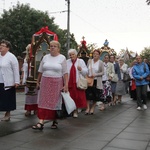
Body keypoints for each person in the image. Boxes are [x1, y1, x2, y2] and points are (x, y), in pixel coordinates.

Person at [32, 40, 68, 130]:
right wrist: (37, 81)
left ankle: (54, 120)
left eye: (54, 46)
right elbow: (40, 70)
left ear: (58, 48)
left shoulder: (62, 58)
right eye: (51, 46)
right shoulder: (45, 57)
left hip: (57, 83)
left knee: (54, 102)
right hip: (45, 82)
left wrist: (66, 84)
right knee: (43, 101)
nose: (52, 48)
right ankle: (41, 121)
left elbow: (65, 73)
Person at [0, 39, 20, 121]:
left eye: (3, 46)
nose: (1, 47)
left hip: (8, 81)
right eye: (0, 45)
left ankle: (7, 114)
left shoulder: (11, 57)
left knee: (7, 98)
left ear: (8, 48)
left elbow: (16, 70)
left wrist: (17, 81)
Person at [67, 49, 88, 118]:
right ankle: (71, 110)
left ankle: (75, 111)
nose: (71, 56)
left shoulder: (80, 61)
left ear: (76, 55)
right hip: (69, 83)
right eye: (70, 55)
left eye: (73, 54)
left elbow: (86, 72)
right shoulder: (67, 62)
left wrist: (81, 69)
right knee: (70, 98)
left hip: (77, 82)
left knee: (77, 98)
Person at [85, 50, 104, 114]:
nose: (95, 55)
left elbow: (102, 72)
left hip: (96, 80)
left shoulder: (100, 62)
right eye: (94, 54)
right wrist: (87, 74)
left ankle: (92, 108)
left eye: (97, 54)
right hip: (89, 80)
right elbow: (86, 69)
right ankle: (87, 108)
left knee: (95, 95)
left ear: (99, 55)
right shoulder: (90, 61)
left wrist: (96, 74)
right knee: (87, 95)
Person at [21, 44, 38, 116]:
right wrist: (23, 78)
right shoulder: (26, 59)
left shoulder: (37, 57)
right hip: (28, 78)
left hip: (35, 78)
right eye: (29, 50)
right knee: (28, 95)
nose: (30, 51)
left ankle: (35, 109)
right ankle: (28, 109)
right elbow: (24, 70)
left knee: (36, 95)